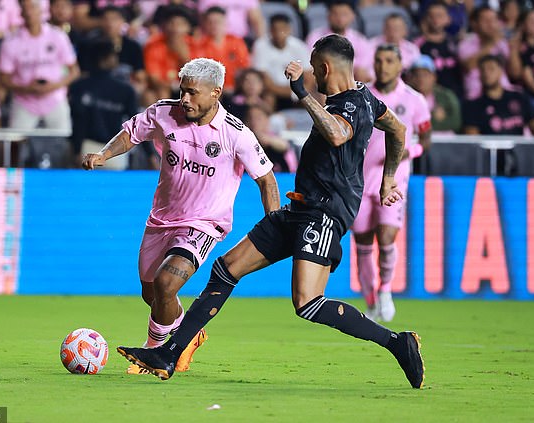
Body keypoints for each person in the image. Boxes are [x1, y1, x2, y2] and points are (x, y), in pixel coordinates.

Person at [116, 35, 425, 389]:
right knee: (226, 269)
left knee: (307, 303)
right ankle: (170, 353)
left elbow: (339, 134)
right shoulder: (368, 99)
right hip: (300, 207)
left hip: (324, 212)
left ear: (324, 68)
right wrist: (388, 179)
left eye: (313, 68)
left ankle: (397, 343)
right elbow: (397, 130)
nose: (312, 74)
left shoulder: (354, 103)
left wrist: (302, 93)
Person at [82, 58, 280, 374]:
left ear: (216, 93)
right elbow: (131, 133)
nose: (184, 99)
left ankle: (153, 353)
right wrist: (104, 154)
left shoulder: (236, 134)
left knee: (165, 283)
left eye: (192, 93)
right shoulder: (165, 112)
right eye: (182, 91)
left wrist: (275, 228)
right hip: (161, 219)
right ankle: (189, 334)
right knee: (153, 294)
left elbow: (267, 179)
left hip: (205, 223)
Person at [352, 45, 431, 322]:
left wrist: (411, 151)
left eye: (389, 61)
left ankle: (385, 290)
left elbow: (425, 139)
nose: (382, 66)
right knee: (362, 241)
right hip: (360, 181)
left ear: (400, 66)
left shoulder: (414, 100)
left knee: (386, 237)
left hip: (394, 180)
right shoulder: (363, 94)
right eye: (378, 60)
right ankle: (371, 300)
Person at [0, 0, 80, 131]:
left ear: (41, 10)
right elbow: (3, 78)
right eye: (26, 9)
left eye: (33, 8)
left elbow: (74, 71)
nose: (30, 13)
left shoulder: (58, 36)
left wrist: (53, 86)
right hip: (24, 101)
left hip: (55, 99)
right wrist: (26, 88)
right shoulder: (11, 42)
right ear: (21, 13)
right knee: (16, 144)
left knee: (61, 141)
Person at [69, 39, 138, 167]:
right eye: (113, 55)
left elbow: (78, 122)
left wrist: (76, 150)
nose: (116, 59)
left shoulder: (79, 86)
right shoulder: (125, 89)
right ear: (105, 59)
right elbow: (137, 125)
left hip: (86, 150)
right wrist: (151, 155)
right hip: (114, 151)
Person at [463, 55, 534, 136]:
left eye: (491, 69)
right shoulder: (473, 106)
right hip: (489, 148)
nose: (486, 73)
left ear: (501, 71)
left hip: (518, 148)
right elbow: (473, 141)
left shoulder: (519, 97)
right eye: (483, 70)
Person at [252, 13, 312, 110]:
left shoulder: (299, 46)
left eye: (283, 29)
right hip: (273, 92)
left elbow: (309, 78)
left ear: (289, 30)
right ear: (270, 30)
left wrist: (298, 93)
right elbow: (265, 82)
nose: (279, 33)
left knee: (314, 97)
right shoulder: (260, 46)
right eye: (275, 29)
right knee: (268, 97)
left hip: (297, 91)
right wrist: (294, 93)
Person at [305, 0, 373, 82]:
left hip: (352, 81)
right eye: (335, 14)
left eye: (344, 14)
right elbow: (312, 63)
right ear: (328, 15)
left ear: (353, 16)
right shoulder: (315, 36)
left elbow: (364, 68)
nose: (339, 18)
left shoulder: (360, 40)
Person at [414, 1, 464, 98]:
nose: (435, 20)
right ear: (426, 19)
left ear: (448, 19)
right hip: (431, 97)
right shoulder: (417, 45)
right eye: (432, 16)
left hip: (457, 95)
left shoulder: (456, 43)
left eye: (439, 16)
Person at [195, 6, 250, 94]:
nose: (214, 25)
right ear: (205, 24)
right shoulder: (200, 45)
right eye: (210, 22)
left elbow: (244, 67)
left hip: (236, 88)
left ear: (225, 23)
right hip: (211, 90)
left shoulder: (237, 42)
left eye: (217, 22)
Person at [407, 54, 461, 134]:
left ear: (434, 77)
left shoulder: (446, 96)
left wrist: (419, 125)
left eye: (425, 75)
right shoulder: (406, 96)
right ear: (410, 78)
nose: (420, 79)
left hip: (444, 141)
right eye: (416, 75)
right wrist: (434, 118)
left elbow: (456, 123)